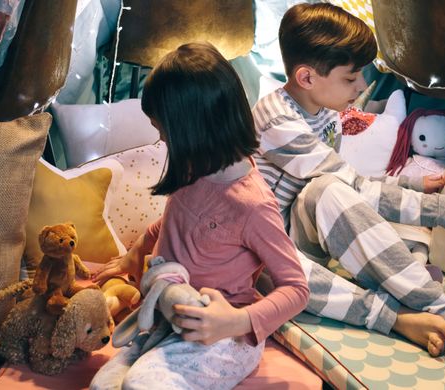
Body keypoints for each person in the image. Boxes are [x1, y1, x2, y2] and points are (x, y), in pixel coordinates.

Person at [253, 3, 445, 380]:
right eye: (351, 78)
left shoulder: (327, 115)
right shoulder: (276, 121)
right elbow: (356, 188)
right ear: (307, 77)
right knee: (278, 276)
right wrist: (443, 210)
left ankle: (443, 313)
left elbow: (348, 182)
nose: (362, 86)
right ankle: (398, 318)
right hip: (262, 248)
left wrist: (412, 183)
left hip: (299, 231)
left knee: (327, 191)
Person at [89, 42, 309, 389]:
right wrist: (136, 254)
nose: (161, 140)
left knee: (141, 386)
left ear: (195, 128)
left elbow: (296, 288)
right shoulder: (196, 169)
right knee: (104, 385)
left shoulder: (252, 205)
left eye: (163, 130)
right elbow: (177, 220)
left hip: (222, 336)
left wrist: (235, 322)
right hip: (169, 317)